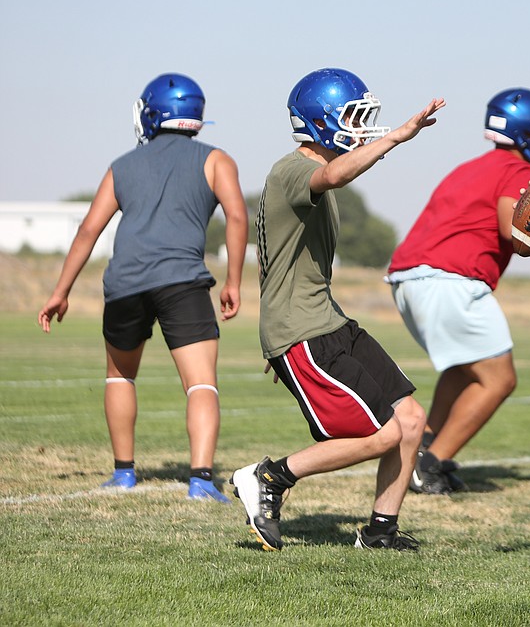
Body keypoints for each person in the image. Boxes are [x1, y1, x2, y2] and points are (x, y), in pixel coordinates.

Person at [231, 68, 444, 552]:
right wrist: (397, 137)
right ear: (320, 121)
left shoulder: (309, 180)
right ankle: (269, 477)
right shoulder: (293, 170)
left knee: (410, 419)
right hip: (303, 331)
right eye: (352, 117)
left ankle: (380, 532)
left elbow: (276, 259)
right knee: (384, 433)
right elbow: (334, 173)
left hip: (327, 322)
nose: (361, 127)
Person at [37, 73, 247, 502]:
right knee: (201, 383)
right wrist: (234, 282)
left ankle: (123, 474)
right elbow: (238, 217)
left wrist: (61, 290)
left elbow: (88, 231)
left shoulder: (122, 165)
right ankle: (202, 480)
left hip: (126, 282)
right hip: (182, 281)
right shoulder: (217, 160)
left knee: (120, 376)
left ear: (152, 114)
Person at [385, 88, 530, 495]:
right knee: (499, 379)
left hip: (412, 278)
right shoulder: (516, 171)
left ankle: (423, 447)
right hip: (449, 280)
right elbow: (513, 229)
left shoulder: (472, 166)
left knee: (463, 369)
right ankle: (430, 464)